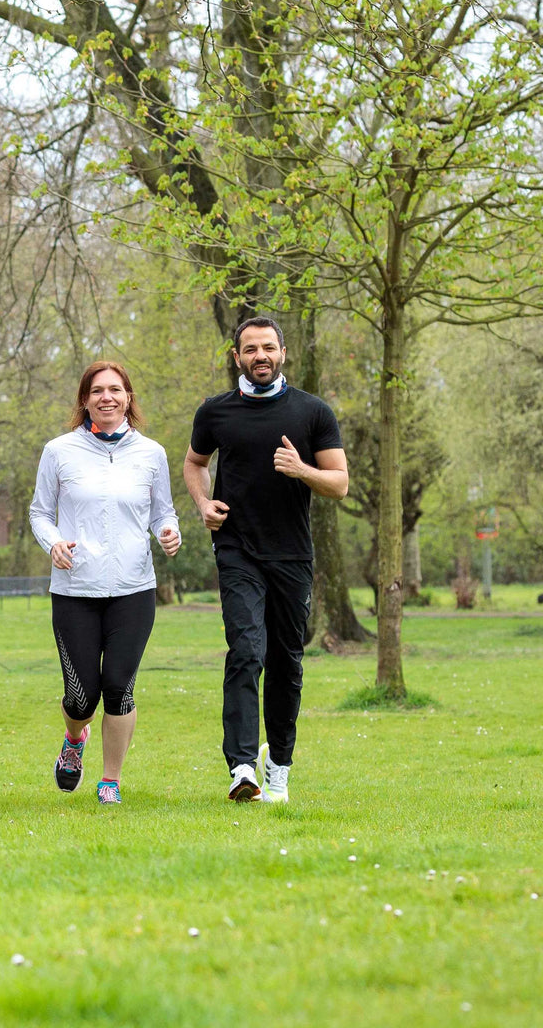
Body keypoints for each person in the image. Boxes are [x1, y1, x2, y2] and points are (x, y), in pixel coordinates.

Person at [183, 317, 348, 804]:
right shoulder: (215, 412)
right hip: (236, 549)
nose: (261, 355)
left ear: (283, 353)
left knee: (286, 662)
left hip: (292, 553)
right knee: (246, 650)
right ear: (236, 356)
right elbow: (195, 462)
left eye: (269, 347)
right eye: (251, 348)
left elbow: (339, 483)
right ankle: (241, 767)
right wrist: (203, 503)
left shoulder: (313, 411)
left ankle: (279, 764)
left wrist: (302, 470)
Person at [28, 362, 181, 804]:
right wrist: (53, 542)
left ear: (129, 398)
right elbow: (40, 512)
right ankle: (75, 740)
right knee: (81, 698)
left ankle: (110, 780)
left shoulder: (152, 453)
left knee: (118, 686)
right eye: (97, 390)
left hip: (134, 589)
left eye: (116, 390)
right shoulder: (59, 451)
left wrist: (168, 531)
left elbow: (162, 512)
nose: (107, 397)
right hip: (75, 589)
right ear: (84, 399)